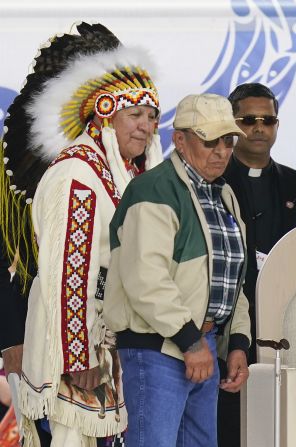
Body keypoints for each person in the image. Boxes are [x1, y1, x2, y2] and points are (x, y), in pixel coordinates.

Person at [0, 22, 163, 446]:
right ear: (104, 112)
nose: (145, 127)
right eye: (135, 115)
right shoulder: (78, 173)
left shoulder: (116, 172)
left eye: (151, 116)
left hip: (105, 341)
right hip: (75, 348)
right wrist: (80, 355)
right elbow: (69, 274)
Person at [103, 93, 252, 446]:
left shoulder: (224, 193)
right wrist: (190, 341)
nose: (221, 150)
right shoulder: (153, 189)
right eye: (209, 140)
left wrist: (237, 343)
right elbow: (145, 279)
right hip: (160, 348)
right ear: (179, 140)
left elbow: (233, 278)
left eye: (228, 140)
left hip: (200, 343)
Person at [218, 83, 296, 445]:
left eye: (267, 120)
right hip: (229, 320)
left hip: (284, 320)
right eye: (248, 119)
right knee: (229, 421)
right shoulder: (215, 181)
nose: (258, 128)